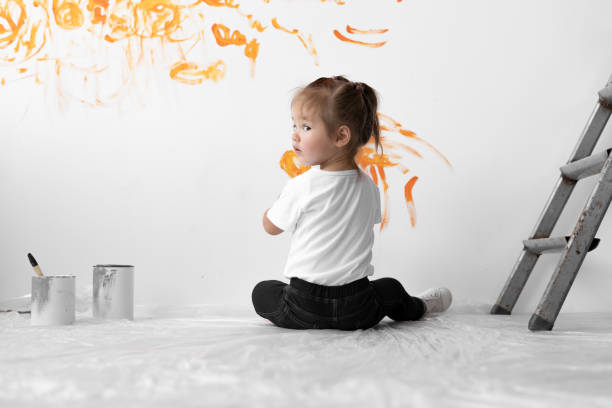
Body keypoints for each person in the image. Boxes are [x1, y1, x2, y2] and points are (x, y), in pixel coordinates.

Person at [252, 75, 452, 330]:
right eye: (294, 125)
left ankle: (311, 318)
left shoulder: (302, 185)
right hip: (357, 308)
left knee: (262, 292)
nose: (295, 136)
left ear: (341, 136)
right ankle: (419, 306)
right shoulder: (369, 187)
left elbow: (271, 227)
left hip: (303, 307)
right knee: (389, 288)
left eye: (306, 128)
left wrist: (277, 203)